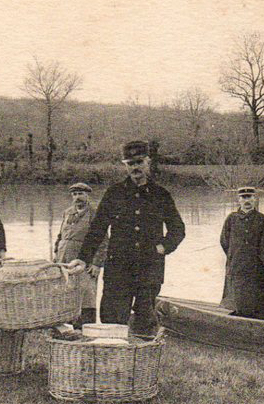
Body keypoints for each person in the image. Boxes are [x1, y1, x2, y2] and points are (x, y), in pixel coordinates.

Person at [70, 141, 186, 338]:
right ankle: (112, 361)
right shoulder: (114, 193)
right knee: (112, 322)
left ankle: (141, 361)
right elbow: (97, 229)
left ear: (148, 162)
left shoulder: (161, 194)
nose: (135, 168)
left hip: (149, 270)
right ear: (125, 165)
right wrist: (83, 258)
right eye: (130, 163)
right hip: (118, 270)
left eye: (139, 162)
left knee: (145, 322)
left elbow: (178, 229)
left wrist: (163, 247)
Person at [54, 182, 107, 327]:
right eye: (74, 194)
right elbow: (60, 236)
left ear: (87, 195)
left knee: (86, 296)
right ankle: (66, 330)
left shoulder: (95, 213)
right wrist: (56, 255)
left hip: (85, 262)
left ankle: (85, 330)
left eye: (80, 194)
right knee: (65, 294)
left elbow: (102, 240)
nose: (77, 197)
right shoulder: (67, 212)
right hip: (64, 260)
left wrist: (97, 263)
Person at [220, 186, 264, 319]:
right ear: (239, 200)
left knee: (256, 298)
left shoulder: (262, 219)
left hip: (256, 266)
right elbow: (224, 241)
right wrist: (235, 255)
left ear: (255, 199)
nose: (247, 200)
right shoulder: (232, 218)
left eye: (250, 197)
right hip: (237, 265)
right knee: (237, 297)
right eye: (244, 197)